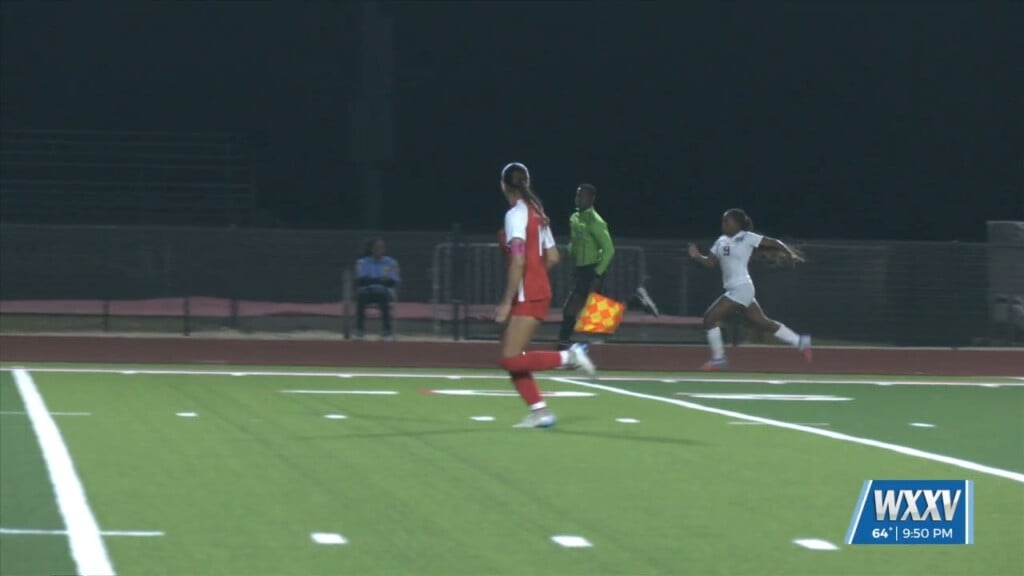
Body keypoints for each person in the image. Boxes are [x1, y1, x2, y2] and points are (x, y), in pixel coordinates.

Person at [495, 162, 596, 428]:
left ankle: (570, 356)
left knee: (510, 358)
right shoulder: (537, 212)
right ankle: (540, 412)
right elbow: (552, 256)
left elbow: (517, 262)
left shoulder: (515, 214)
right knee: (514, 357)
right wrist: (536, 276)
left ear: (503, 185)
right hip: (536, 290)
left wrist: (508, 300)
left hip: (527, 293)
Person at [687, 209, 812, 370]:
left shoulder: (747, 237)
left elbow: (775, 243)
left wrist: (789, 254)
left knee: (709, 319)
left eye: (727, 221)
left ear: (737, 224)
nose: (724, 224)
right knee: (763, 322)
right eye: (723, 221)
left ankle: (719, 358)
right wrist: (697, 257)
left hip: (742, 288)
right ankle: (800, 341)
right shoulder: (721, 241)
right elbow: (711, 263)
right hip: (736, 289)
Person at [556, 183, 660, 350]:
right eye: (577, 195)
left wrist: (597, 274)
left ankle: (563, 343)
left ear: (591, 199)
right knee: (596, 313)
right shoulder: (575, 218)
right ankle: (635, 301)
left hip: (592, 269)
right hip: (581, 269)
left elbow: (609, 249)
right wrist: (566, 253)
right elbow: (575, 242)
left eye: (582, 196)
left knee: (573, 307)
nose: (578, 199)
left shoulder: (596, 222)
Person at [355, 238, 400, 340]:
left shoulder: (391, 263)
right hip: (367, 292)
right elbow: (361, 280)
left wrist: (373, 280)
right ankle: (359, 331)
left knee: (382, 295)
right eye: (376, 248)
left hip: (384, 292)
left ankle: (387, 332)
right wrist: (380, 280)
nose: (379, 250)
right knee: (361, 296)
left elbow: (392, 282)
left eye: (381, 247)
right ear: (371, 249)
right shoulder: (362, 262)